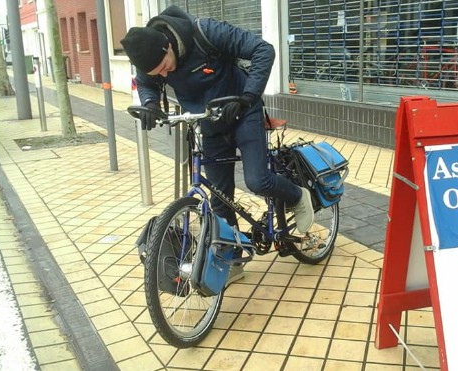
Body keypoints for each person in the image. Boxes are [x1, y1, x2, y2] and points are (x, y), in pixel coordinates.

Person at [120, 5, 314, 284]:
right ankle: (232, 259)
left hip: (242, 111)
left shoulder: (205, 32)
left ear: (168, 46)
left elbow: (263, 50)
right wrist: (150, 103)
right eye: (157, 73)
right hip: (209, 123)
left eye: (164, 68)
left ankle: (297, 196)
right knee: (220, 197)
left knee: (257, 180)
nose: (163, 75)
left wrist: (247, 97)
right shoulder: (151, 59)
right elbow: (146, 82)